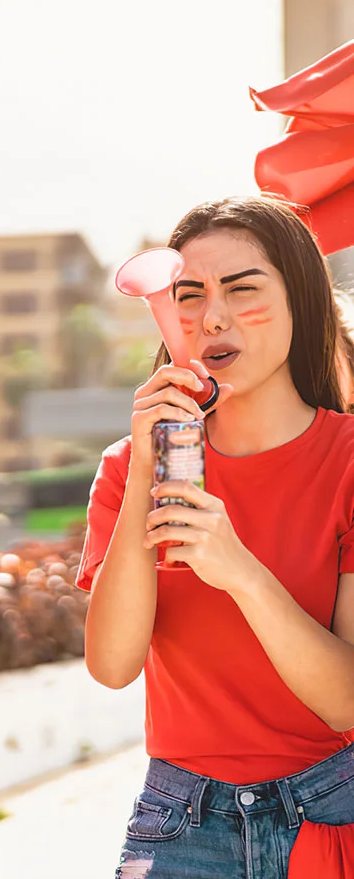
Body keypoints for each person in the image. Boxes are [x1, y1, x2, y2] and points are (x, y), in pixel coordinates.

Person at [79, 195, 354, 877]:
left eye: (242, 288)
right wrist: (145, 466)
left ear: (302, 300)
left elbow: (348, 700)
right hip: (180, 822)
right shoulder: (128, 466)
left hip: (334, 806)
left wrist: (241, 572)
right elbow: (112, 666)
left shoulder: (347, 462)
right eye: (189, 295)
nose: (212, 317)